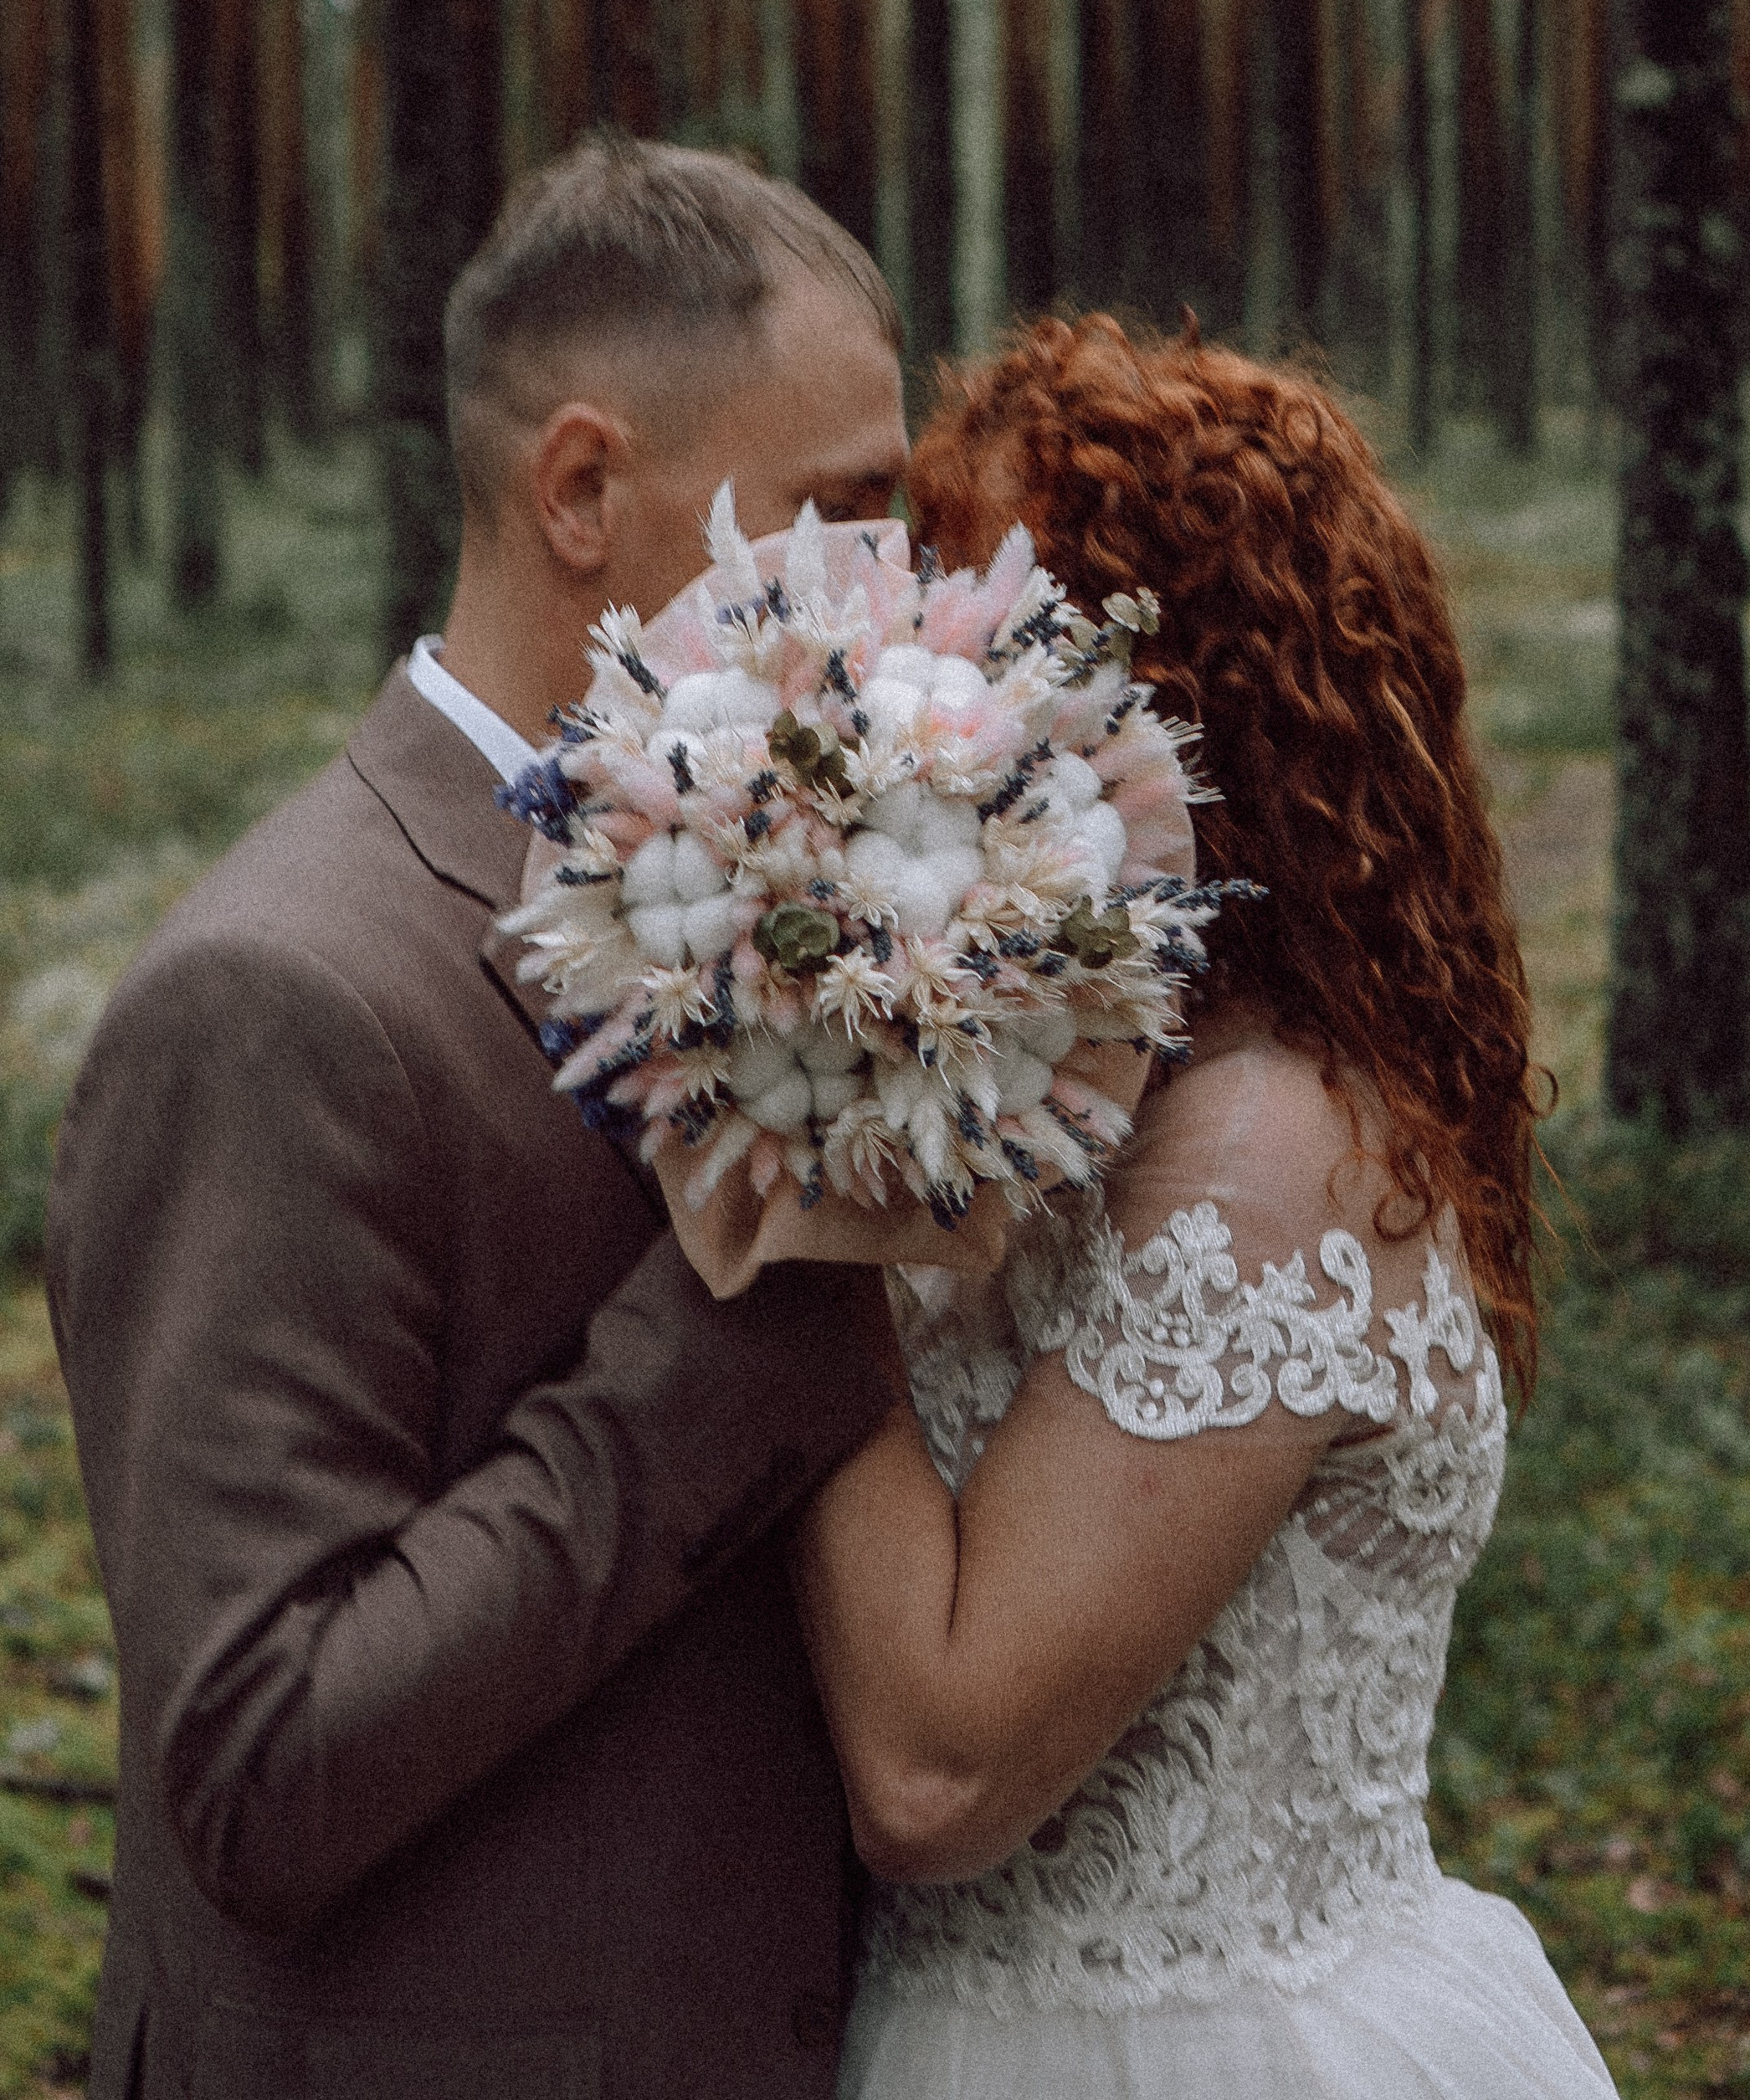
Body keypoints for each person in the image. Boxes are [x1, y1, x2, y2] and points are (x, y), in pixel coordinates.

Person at [45, 135, 924, 2100]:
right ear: (585, 490)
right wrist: (737, 1342)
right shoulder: (279, 999)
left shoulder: (788, 895)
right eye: (839, 509)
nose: (897, 590)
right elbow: (258, 1767)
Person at [669, 313, 1619, 2099]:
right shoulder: (1089, 1088)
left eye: (1004, 636)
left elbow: (938, 1771)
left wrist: (784, 1178)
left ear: (1198, 706)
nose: (934, 699)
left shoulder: (1262, 1159)